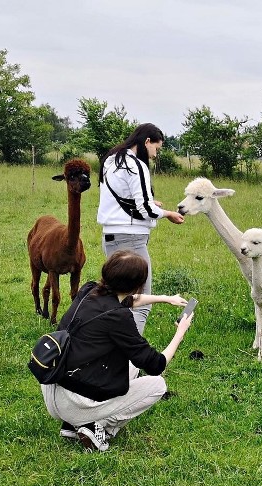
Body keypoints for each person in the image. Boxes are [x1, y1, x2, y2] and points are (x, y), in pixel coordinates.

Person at [40, 250, 194, 452]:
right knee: (157, 385)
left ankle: (72, 424)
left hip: (52, 387)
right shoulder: (118, 318)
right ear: (137, 285)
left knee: (129, 363)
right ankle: (97, 428)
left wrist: (165, 298)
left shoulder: (89, 290)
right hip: (73, 401)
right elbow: (156, 364)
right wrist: (180, 333)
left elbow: (126, 300)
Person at [97, 122, 184, 335]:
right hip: (132, 240)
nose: (155, 154)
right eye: (156, 148)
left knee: (116, 299)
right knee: (140, 301)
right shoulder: (136, 165)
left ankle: (108, 354)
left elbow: (123, 199)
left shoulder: (111, 160)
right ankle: (131, 361)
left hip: (110, 237)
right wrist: (168, 214)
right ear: (146, 142)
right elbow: (145, 209)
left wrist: (151, 203)